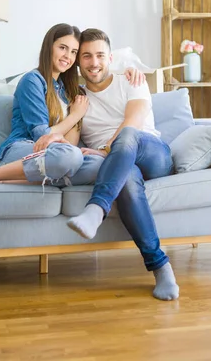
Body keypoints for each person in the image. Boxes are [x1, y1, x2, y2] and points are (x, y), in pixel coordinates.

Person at [0, 23, 144, 186]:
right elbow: (42, 137)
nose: (67, 56)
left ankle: (17, 180)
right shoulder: (32, 80)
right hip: (22, 149)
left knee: (100, 166)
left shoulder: (68, 89)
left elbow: (100, 72)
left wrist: (127, 72)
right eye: (63, 48)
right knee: (69, 156)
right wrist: (74, 117)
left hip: (53, 156)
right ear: (49, 47)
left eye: (73, 52)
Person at [66, 28, 179, 301]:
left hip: (151, 153)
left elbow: (134, 123)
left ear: (110, 57)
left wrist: (106, 150)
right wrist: (73, 115)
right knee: (126, 178)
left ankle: (95, 209)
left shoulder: (131, 81)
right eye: (87, 56)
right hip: (121, 165)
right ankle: (161, 267)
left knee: (128, 135)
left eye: (100, 55)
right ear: (78, 61)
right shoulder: (77, 97)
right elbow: (71, 146)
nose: (94, 63)